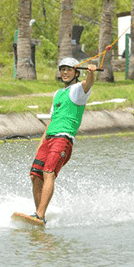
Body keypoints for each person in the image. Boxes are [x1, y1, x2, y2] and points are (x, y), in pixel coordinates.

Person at [29, 57, 96, 224]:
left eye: (68, 69)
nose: (65, 72)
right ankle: (39, 213)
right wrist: (41, 142)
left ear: (76, 72)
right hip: (49, 138)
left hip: (63, 138)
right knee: (35, 175)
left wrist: (91, 73)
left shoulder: (78, 91)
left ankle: (40, 215)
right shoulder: (58, 94)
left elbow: (88, 84)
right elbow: (52, 119)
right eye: (62, 69)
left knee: (48, 173)